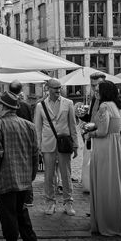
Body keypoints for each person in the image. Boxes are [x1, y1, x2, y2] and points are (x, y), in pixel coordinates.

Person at [0, 91, 39, 241]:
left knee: (7, 211)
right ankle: (29, 238)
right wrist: (32, 174)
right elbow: (35, 153)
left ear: (2, 107)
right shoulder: (29, 125)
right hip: (24, 175)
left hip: (6, 176)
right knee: (20, 208)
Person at [85, 80, 121, 236]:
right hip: (115, 146)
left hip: (105, 147)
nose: (95, 92)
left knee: (104, 182)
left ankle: (106, 221)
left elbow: (103, 131)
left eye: (98, 90)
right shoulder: (118, 107)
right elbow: (114, 127)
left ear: (105, 92)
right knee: (114, 182)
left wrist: (88, 133)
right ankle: (117, 219)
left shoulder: (104, 106)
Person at [34, 78, 78, 216]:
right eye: (55, 88)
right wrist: (38, 146)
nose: (58, 90)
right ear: (48, 89)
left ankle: (68, 202)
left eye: (59, 88)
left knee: (66, 174)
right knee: (49, 176)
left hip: (64, 143)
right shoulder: (40, 106)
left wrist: (75, 144)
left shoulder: (68, 103)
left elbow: (73, 125)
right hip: (48, 144)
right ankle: (50, 202)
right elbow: (37, 128)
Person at [75, 72, 106, 194]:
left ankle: (96, 187)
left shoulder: (108, 101)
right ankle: (90, 186)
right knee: (88, 163)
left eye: (97, 85)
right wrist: (81, 115)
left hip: (101, 137)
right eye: (92, 86)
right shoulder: (94, 98)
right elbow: (91, 118)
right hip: (91, 137)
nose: (95, 89)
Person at [9, 80, 35, 207]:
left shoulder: (9, 104)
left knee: (14, 169)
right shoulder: (26, 105)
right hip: (26, 139)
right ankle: (28, 198)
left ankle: (17, 197)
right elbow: (31, 122)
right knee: (27, 168)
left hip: (12, 140)